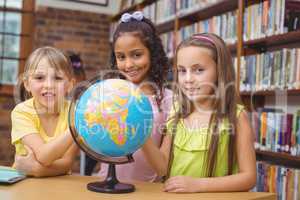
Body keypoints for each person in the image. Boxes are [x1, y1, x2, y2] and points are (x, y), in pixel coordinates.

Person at [141, 33, 257, 192]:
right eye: (182, 71)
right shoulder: (176, 112)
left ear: (219, 71)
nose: (188, 79)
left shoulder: (236, 116)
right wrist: (141, 138)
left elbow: (249, 178)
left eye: (198, 70)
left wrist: (198, 185)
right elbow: (162, 169)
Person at [98, 11, 172, 182]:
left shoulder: (169, 100)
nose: (129, 64)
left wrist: (137, 128)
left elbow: (164, 169)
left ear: (152, 53)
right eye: (121, 57)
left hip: (148, 192)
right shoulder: (107, 94)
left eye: (137, 55)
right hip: (106, 186)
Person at [11, 46, 78, 177]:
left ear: (70, 85)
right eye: (39, 77)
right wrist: (76, 128)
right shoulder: (22, 112)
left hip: (59, 186)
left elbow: (67, 163)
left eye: (57, 78)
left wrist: (37, 169)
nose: (48, 85)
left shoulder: (75, 112)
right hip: (23, 185)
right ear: (27, 84)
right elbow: (44, 155)